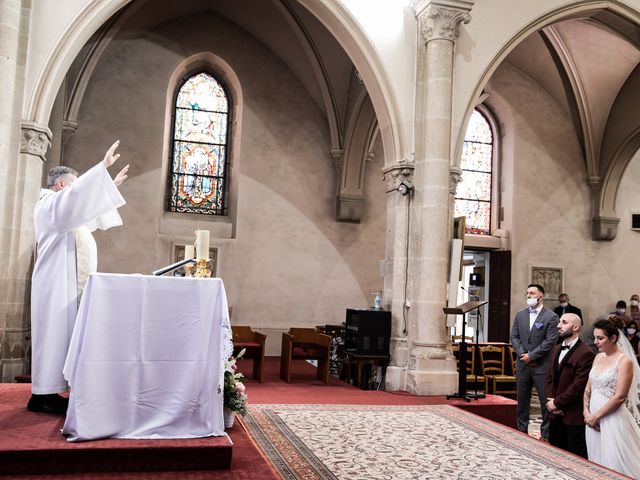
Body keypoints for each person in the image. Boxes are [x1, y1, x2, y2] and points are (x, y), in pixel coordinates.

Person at [29, 141, 129, 414]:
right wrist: (102, 168)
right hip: (55, 285)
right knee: (53, 338)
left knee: (62, 338)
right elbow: (76, 202)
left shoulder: (64, 211)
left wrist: (110, 188)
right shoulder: (49, 203)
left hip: (67, 285)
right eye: (73, 183)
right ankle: (41, 396)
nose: (77, 189)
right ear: (60, 185)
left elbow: (87, 213)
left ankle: (50, 393)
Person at [584, 316, 640, 477]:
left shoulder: (624, 361)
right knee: (596, 460)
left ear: (613, 338)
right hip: (592, 418)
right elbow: (588, 389)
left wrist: (597, 417)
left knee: (615, 463)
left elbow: (620, 397)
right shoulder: (598, 357)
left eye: (600, 338)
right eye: (595, 337)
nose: (596, 342)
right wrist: (586, 413)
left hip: (612, 418)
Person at [511, 283, 559, 441]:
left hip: (542, 365)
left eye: (531, 293)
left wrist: (532, 355)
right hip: (523, 365)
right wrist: (523, 354)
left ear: (541, 296)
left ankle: (546, 433)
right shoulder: (520, 314)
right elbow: (514, 337)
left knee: (544, 400)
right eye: (527, 293)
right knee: (522, 400)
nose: (528, 296)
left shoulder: (551, 317)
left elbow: (550, 341)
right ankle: (521, 430)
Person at [545, 313, 595, 458]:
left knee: (574, 456)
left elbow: (578, 386)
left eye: (564, 322)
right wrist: (551, 400)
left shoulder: (586, 353)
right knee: (555, 453)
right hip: (554, 413)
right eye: (560, 322)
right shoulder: (556, 349)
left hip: (572, 415)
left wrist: (558, 403)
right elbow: (549, 377)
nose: (559, 325)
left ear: (576, 327)